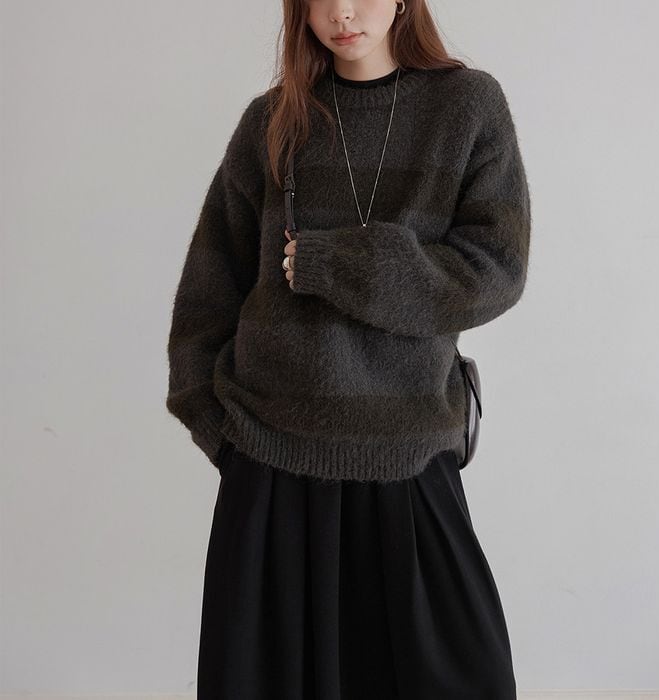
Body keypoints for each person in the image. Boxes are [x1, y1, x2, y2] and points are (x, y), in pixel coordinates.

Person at [166, 0, 531, 697]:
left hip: (407, 457)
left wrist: (339, 263)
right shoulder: (272, 122)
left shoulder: (465, 107)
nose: (341, 11)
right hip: (270, 466)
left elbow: (493, 271)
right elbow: (207, 294)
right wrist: (225, 434)